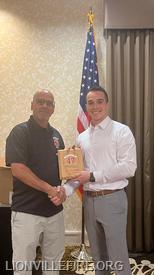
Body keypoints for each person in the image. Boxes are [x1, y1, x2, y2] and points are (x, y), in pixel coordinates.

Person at [69, 86, 137, 275]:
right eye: (90, 102)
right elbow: (77, 173)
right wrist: (63, 191)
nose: (95, 106)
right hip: (89, 201)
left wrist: (92, 175)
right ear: (86, 106)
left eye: (100, 101)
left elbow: (129, 167)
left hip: (112, 199)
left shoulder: (121, 131)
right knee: (98, 257)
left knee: (117, 258)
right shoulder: (81, 138)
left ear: (107, 104)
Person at [5, 89, 66, 275]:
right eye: (40, 101)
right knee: (23, 265)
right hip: (26, 212)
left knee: (52, 264)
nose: (44, 106)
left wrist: (63, 191)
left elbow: (62, 172)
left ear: (53, 109)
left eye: (49, 103)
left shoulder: (56, 136)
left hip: (54, 212)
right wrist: (49, 189)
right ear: (32, 105)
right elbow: (18, 169)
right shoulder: (19, 132)